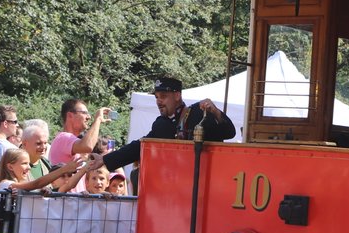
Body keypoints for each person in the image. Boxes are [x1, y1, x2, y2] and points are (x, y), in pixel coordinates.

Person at [94, 77, 235, 172]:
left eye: (163, 96)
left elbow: (229, 132)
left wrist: (216, 112)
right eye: (156, 97)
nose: (158, 101)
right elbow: (140, 146)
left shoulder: (199, 113)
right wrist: (105, 159)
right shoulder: (161, 124)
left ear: (177, 96)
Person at [49, 99, 109, 191]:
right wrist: (98, 120)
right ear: (70, 115)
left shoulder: (69, 141)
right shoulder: (63, 138)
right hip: (65, 202)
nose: (89, 117)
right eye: (84, 113)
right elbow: (88, 146)